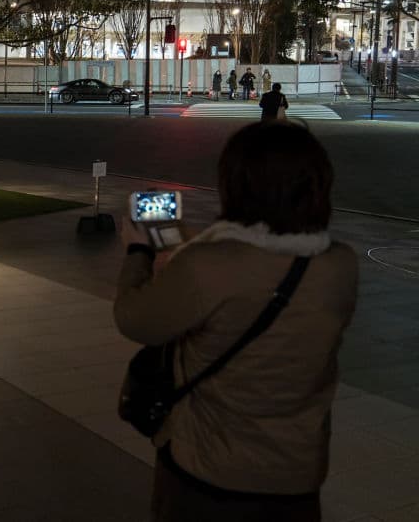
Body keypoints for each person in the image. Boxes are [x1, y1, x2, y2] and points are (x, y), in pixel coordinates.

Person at [115, 123, 357, 522]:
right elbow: (257, 268)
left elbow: (135, 320)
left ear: (236, 182)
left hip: (209, 471)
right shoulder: (340, 265)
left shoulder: (208, 265)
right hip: (296, 474)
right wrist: (194, 246)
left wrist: (138, 252)